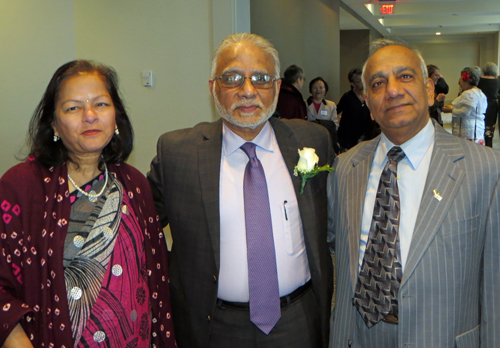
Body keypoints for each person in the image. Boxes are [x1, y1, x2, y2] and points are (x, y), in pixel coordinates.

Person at [148, 33, 334, 348]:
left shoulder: (313, 141)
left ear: (276, 87)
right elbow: (137, 227)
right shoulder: (177, 153)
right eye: (232, 78)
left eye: (260, 79)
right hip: (213, 328)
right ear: (213, 88)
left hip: (299, 321)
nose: (247, 91)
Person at [328, 39, 500, 348]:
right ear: (367, 102)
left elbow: (495, 286)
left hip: (441, 336)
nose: (392, 90)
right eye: (378, 83)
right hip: (358, 335)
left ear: (430, 89)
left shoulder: (486, 169)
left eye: (405, 76)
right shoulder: (345, 167)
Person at [0, 60, 176, 348]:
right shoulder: (20, 188)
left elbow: (154, 280)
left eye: (101, 104)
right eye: (73, 108)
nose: (90, 116)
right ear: (54, 123)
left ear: (116, 116)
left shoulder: (133, 184)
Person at [337, 68, 379, 151]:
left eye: (364, 79)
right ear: (353, 84)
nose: (363, 83)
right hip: (349, 139)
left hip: (367, 137)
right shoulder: (347, 97)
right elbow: (336, 112)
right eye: (360, 81)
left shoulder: (370, 96)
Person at [442, 67, 487, 145]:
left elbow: (465, 112)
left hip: (468, 132)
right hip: (477, 131)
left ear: (466, 81)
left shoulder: (469, 94)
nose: (459, 82)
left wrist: (450, 110)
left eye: (460, 79)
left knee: (467, 153)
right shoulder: (481, 94)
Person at [477, 62, 500, 147]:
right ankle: (489, 149)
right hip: (492, 108)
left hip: (480, 106)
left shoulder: (479, 80)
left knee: (479, 130)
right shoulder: (498, 82)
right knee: (489, 132)